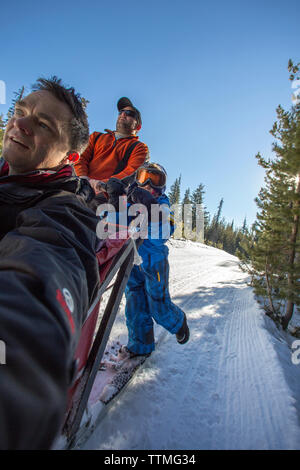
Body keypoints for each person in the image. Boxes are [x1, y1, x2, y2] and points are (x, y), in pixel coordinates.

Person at [0, 77, 100, 450]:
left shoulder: (64, 210)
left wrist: (19, 370)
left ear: (70, 157)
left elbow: (42, 273)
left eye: (43, 125)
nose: (20, 124)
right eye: (20, 112)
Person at [106, 163, 190, 358]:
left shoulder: (162, 203)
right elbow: (113, 226)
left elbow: (163, 233)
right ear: (137, 179)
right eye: (144, 177)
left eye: (156, 179)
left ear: (162, 186)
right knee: (135, 303)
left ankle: (177, 321)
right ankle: (140, 345)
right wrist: (115, 200)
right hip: (131, 260)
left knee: (157, 305)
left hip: (154, 261)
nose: (149, 184)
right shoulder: (130, 201)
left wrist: (151, 208)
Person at [74, 97, 149, 209]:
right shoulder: (96, 137)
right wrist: (84, 179)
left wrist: (100, 185)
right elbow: (81, 157)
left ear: (138, 126)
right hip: (80, 187)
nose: (123, 114)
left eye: (129, 113)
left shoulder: (139, 148)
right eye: (121, 112)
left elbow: (130, 173)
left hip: (106, 196)